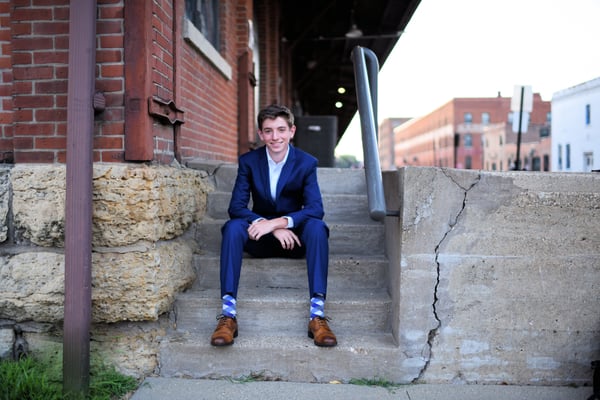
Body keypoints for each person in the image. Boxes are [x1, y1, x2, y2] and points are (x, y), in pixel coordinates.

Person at [210, 104, 337, 348]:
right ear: (260, 134)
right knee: (233, 227)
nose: (275, 137)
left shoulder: (306, 163)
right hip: (260, 238)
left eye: (281, 130)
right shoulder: (249, 161)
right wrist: (267, 225)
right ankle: (228, 315)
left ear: (292, 131)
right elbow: (236, 207)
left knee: (317, 227)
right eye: (268, 131)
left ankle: (317, 315)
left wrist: (280, 223)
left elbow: (314, 209)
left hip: (295, 241)